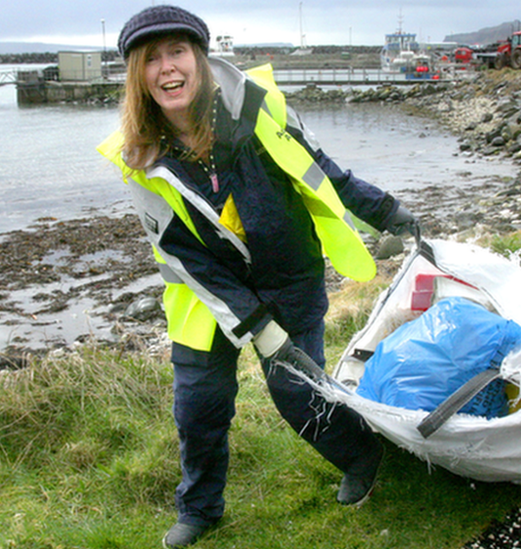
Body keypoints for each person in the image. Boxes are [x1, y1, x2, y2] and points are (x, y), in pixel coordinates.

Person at [98, 5, 418, 548]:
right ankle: (199, 509)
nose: (167, 67)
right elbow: (179, 253)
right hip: (205, 293)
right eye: (151, 58)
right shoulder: (136, 157)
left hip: (289, 277)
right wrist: (254, 323)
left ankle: (363, 456)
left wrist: (389, 213)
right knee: (199, 406)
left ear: (198, 58)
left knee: (299, 394)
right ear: (137, 75)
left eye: (177, 51)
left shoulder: (260, 108)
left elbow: (322, 171)